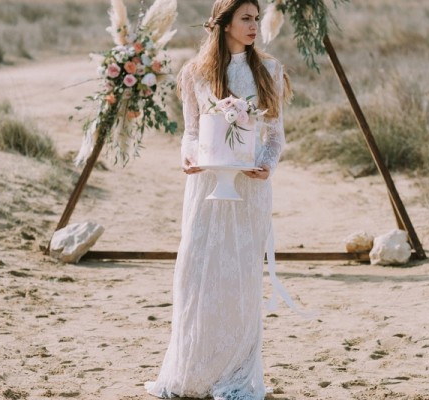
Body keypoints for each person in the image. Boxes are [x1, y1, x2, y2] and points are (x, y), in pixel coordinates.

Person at [145, 0, 292, 398]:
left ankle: (236, 375)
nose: (254, 26)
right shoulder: (196, 72)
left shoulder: (270, 70)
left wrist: (264, 166)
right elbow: (191, 132)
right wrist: (188, 158)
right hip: (206, 188)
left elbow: (275, 136)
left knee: (241, 280)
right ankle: (193, 372)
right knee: (197, 275)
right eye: (246, 19)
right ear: (224, 24)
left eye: (256, 19)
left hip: (249, 190)